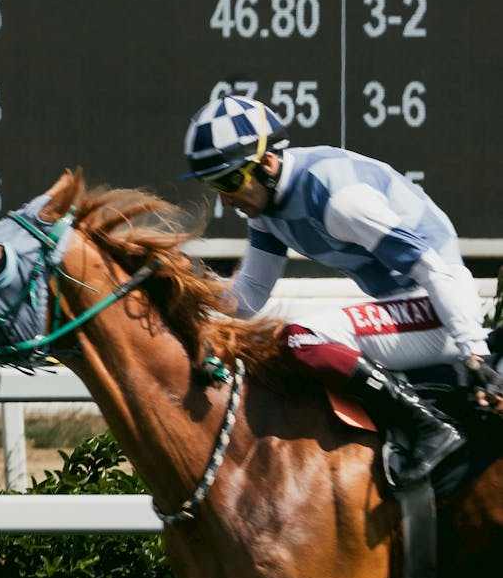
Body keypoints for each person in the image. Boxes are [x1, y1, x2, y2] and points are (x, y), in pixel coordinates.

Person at [183, 94, 502, 488]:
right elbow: (248, 296)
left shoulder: (340, 200)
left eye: (230, 181)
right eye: (213, 185)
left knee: (301, 337)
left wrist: (475, 353)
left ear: (267, 163)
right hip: (412, 306)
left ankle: (428, 427)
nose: (225, 199)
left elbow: (433, 268)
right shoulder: (266, 208)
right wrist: (183, 288)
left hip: (442, 304)